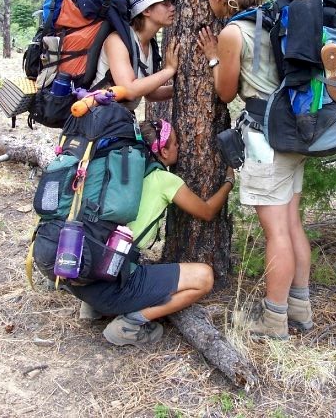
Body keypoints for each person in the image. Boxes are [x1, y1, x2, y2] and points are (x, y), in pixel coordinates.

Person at [197, 0, 312, 340]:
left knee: (276, 231)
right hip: (294, 132)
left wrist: (214, 56)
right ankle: (300, 306)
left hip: (265, 138)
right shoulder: (271, 19)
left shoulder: (233, 32)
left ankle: (274, 320)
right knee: (292, 223)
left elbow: (226, 92)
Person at [70, 119, 235, 347]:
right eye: (175, 143)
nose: (179, 148)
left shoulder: (118, 173)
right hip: (111, 286)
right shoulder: (164, 180)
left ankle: (93, 307)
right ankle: (130, 324)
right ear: (163, 150)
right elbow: (206, 212)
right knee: (204, 277)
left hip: (80, 278)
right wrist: (228, 182)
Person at [91, 0, 179, 112]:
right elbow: (129, 89)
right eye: (165, 4)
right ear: (146, 10)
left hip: (117, 120)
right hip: (96, 120)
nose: (172, 8)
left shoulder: (150, 46)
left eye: (172, 3)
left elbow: (151, 93)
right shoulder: (117, 41)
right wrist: (168, 70)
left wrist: (182, 90)